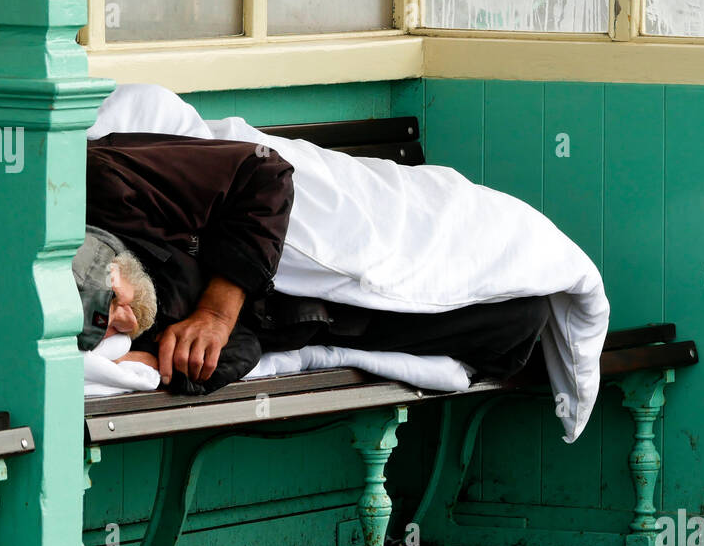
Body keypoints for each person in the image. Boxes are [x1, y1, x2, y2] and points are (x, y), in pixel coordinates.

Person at [78, 131, 548, 395]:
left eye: (114, 301)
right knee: (517, 321)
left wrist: (215, 313)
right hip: (311, 318)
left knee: (506, 258)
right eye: (107, 330)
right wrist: (172, 361)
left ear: (107, 253)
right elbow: (241, 349)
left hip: (313, 233)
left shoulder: (106, 184)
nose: (124, 323)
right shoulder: (134, 319)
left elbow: (262, 172)